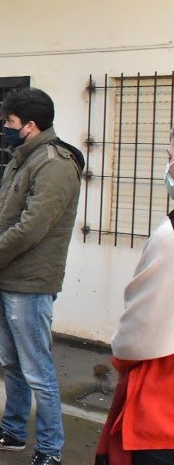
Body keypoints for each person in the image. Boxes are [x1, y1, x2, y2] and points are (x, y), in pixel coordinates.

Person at [0, 88, 84, 465]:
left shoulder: (54, 164)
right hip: (4, 277)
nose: (4, 128)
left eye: (9, 123)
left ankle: (50, 450)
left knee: (38, 371)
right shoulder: (22, 158)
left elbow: (33, 227)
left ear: (30, 126)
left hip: (31, 284)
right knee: (11, 363)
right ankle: (14, 431)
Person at [95, 127, 174, 465]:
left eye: (171, 158)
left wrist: (123, 355)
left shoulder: (169, 237)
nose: (168, 168)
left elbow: (140, 331)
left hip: (161, 398)